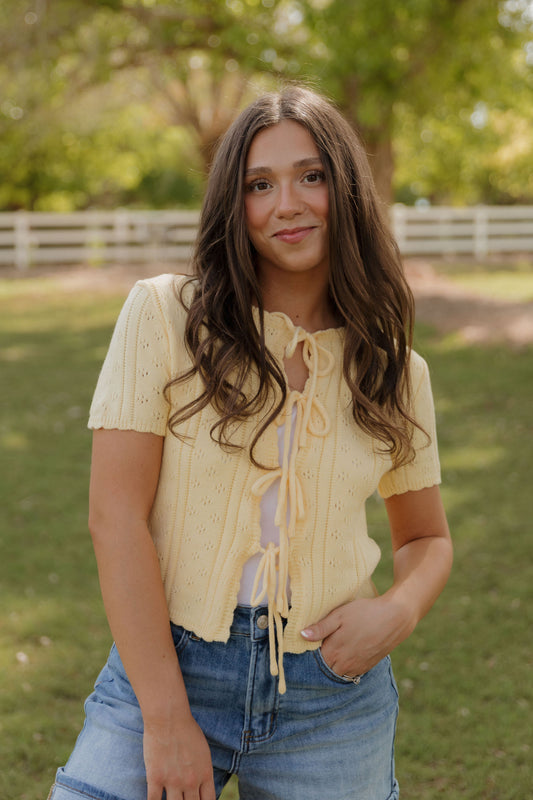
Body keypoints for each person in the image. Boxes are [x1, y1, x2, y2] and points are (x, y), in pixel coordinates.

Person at [48, 86, 452, 800]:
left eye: (311, 176)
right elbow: (114, 519)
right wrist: (167, 718)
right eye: (258, 185)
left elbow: (425, 538)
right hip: (165, 669)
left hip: (330, 693)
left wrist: (398, 609)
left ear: (346, 188)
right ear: (234, 206)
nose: (286, 204)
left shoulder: (393, 369)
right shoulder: (165, 317)